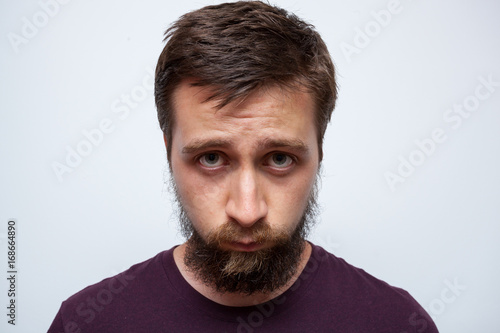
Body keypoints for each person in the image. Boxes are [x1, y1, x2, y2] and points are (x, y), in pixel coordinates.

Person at [48, 1, 438, 332]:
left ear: (320, 151)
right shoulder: (87, 323)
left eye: (280, 158)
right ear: (169, 151)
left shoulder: (396, 322)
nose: (247, 211)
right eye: (212, 158)